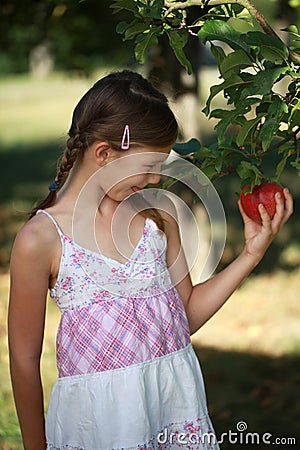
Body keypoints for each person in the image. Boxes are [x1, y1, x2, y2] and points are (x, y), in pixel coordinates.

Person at [8, 70, 293, 450]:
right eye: (150, 167)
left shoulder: (157, 220)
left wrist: (250, 254)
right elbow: (24, 359)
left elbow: (184, 316)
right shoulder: (41, 240)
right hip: (102, 427)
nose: (156, 181)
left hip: (172, 411)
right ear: (105, 154)